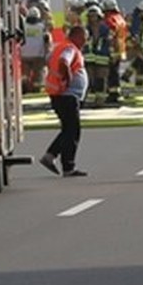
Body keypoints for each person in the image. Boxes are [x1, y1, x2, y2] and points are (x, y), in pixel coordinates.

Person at [40, 25, 88, 177]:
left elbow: (51, 60)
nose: (85, 42)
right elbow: (63, 62)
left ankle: (50, 156)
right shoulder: (70, 48)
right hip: (67, 95)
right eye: (84, 38)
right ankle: (68, 166)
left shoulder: (60, 46)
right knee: (73, 131)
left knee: (68, 129)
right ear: (76, 36)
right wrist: (68, 78)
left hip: (60, 94)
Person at [19, 7, 52, 93]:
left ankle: (25, 87)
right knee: (38, 74)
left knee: (25, 74)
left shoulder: (23, 27)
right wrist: (47, 54)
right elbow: (47, 41)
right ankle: (36, 88)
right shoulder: (42, 27)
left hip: (24, 55)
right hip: (38, 55)